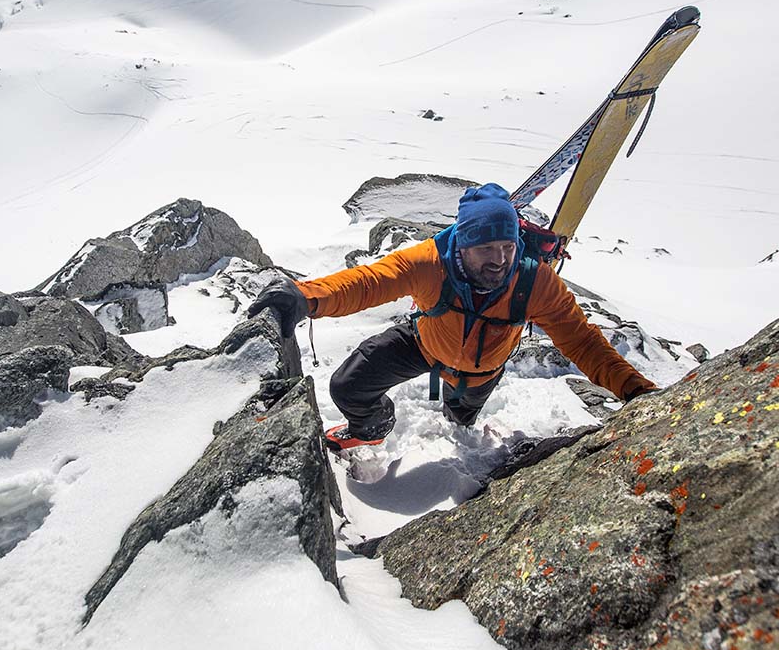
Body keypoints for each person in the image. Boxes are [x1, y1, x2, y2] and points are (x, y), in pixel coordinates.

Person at [248, 182, 658, 451]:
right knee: (347, 385)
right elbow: (369, 281)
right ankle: (371, 429)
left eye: (508, 248)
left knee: (459, 415)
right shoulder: (431, 262)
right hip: (424, 345)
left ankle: (457, 416)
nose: (500, 261)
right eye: (486, 250)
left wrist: (635, 391)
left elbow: (583, 342)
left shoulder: (535, 282)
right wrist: (305, 297)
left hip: (482, 371)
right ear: (462, 244)